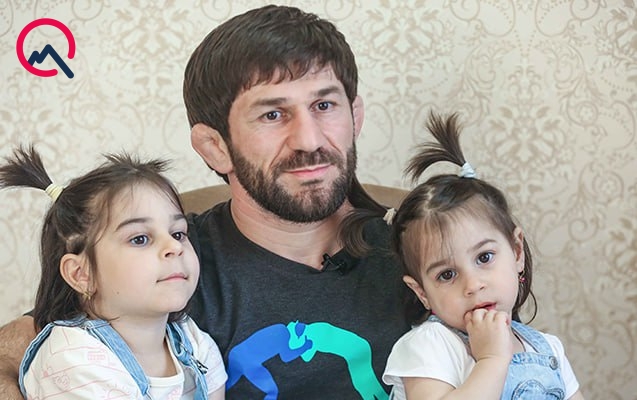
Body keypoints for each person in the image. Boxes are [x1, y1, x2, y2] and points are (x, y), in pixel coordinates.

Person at [0, 5, 410, 399]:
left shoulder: (417, 244)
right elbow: (16, 351)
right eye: (272, 114)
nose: (309, 139)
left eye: (324, 105)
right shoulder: (172, 260)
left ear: (355, 117)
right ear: (215, 147)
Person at [341, 112, 584, 399]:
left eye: (484, 258)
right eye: (447, 274)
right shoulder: (430, 346)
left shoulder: (548, 348)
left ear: (517, 251)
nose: (473, 285)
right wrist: (491, 361)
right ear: (422, 292)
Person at [0, 146, 227, 399]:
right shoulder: (73, 359)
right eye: (140, 239)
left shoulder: (194, 342)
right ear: (81, 274)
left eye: (178, 233)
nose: (175, 247)